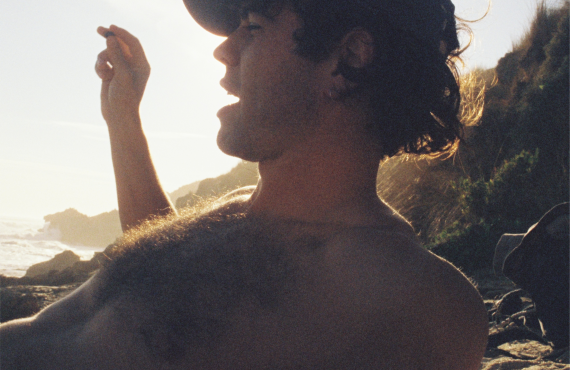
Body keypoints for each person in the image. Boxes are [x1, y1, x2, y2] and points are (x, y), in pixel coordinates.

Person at [0, 0, 488, 368]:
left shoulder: (418, 300)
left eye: (253, 27)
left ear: (350, 57)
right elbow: (174, 285)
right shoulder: (238, 210)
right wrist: (123, 117)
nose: (222, 48)